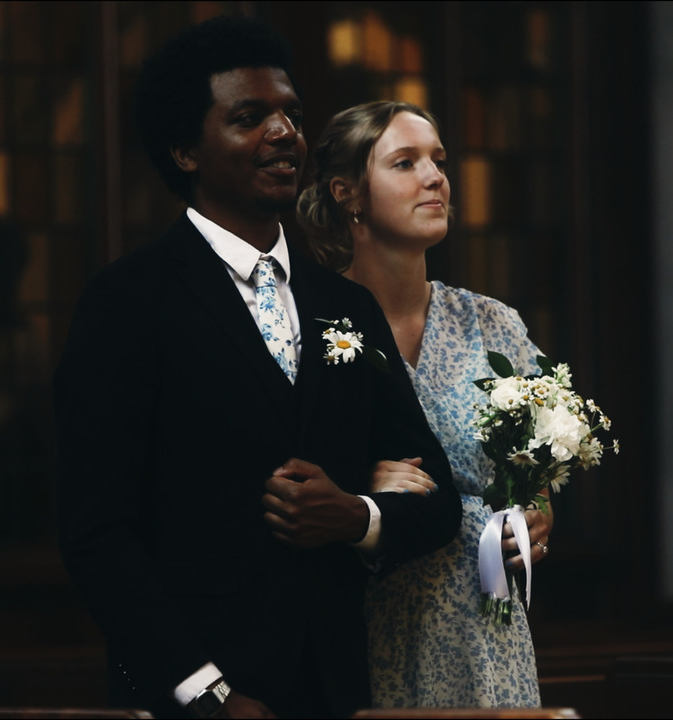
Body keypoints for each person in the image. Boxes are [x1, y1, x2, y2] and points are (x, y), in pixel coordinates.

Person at [53, 18, 461, 720]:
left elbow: (439, 499)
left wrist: (354, 516)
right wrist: (205, 691)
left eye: (292, 116)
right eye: (250, 117)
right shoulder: (128, 302)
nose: (285, 133)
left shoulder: (345, 305)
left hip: (334, 691)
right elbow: (96, 533)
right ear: (184, 149)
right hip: (199, 696)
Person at [297, 101, 552, 708]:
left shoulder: (491, 322)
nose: (435, 177)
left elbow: (538, 461)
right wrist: (363, 482)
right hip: (373, 618)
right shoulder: (320, 323)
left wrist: (537, 508)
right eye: (405, 163)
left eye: (438, 160)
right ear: (348, 194)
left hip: (487, 624)